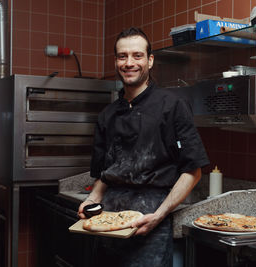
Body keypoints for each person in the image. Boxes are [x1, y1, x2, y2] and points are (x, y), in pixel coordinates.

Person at [78, 27, 209, 266]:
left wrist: (159, 216)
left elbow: (193, 171)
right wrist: (91, 200)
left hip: (151, 217)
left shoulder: (173, 106)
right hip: (109, 219)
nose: (129, 63)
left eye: (137, 56)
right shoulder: (107, 115)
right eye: (122, 56)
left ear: (150, 61)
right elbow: (104, 175)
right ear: (116, 61)